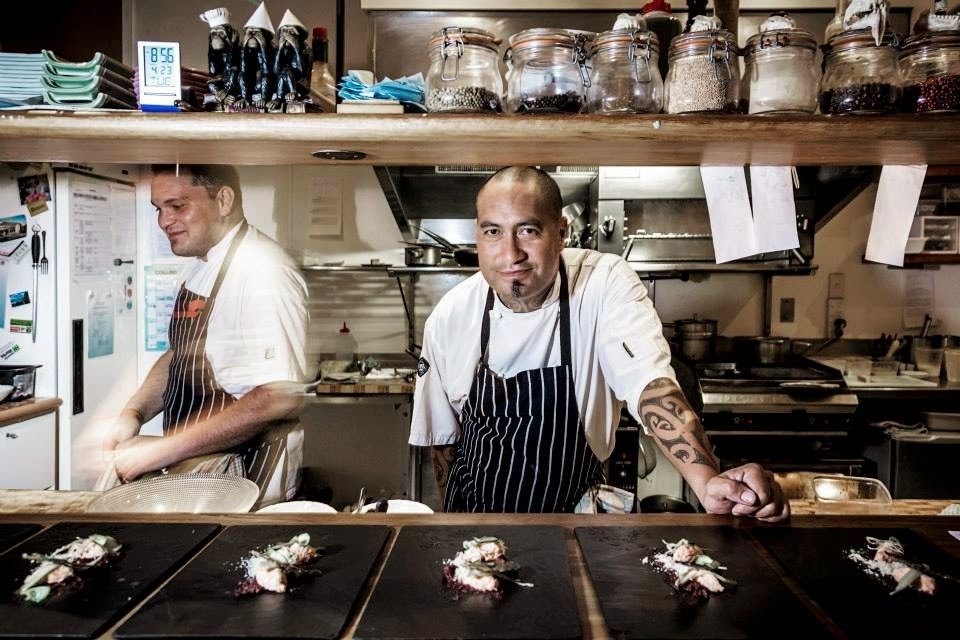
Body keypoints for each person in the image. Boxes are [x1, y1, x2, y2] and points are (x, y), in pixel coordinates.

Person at [410, 166, 788, 521]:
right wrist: (455, 530)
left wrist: (706, 482)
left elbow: (649, 385)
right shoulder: (449, 317)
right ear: (477, 234)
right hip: (477, 523)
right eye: (493, 231)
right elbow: (444, 444)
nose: (510, 254)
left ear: (561, 232)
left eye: (528, 231)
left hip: (576, 524)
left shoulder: (603, 282)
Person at [99, 164, 309, 507]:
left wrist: (162, 450)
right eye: (158, 209)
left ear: (223, 200)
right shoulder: (198, 266)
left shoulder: (263, 272)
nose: (164, 221)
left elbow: (279, 395)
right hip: (200, 474)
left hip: (248, 475)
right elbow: (180, 353)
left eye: (177, 206)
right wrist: (133, 413)